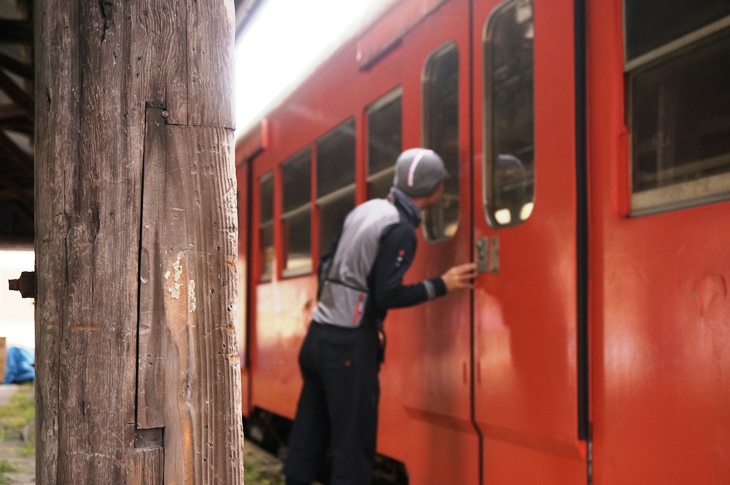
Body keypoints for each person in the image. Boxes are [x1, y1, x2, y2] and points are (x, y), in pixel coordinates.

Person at [283, 148, 477, 485]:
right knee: (352, 446)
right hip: (348, 347)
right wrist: (442, 284)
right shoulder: (400, 229)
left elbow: (325, 265)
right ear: (433, 190)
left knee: (309, 431)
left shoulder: (367, 210)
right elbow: (387, 294)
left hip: (318, 337)